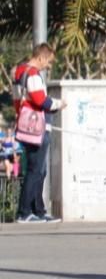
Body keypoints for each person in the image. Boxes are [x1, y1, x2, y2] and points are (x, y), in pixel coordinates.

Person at [14, 44, 64, 224]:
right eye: (48, 62)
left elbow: (17, 100)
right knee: (36, 170)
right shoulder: (33, 75)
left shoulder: (19, 72)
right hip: (36, 128)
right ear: (41, 58)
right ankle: (25, 212)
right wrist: (58, 104)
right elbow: (41, 101)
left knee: (38, 170)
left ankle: (38, 210)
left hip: (25, 126)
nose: (48, 66)